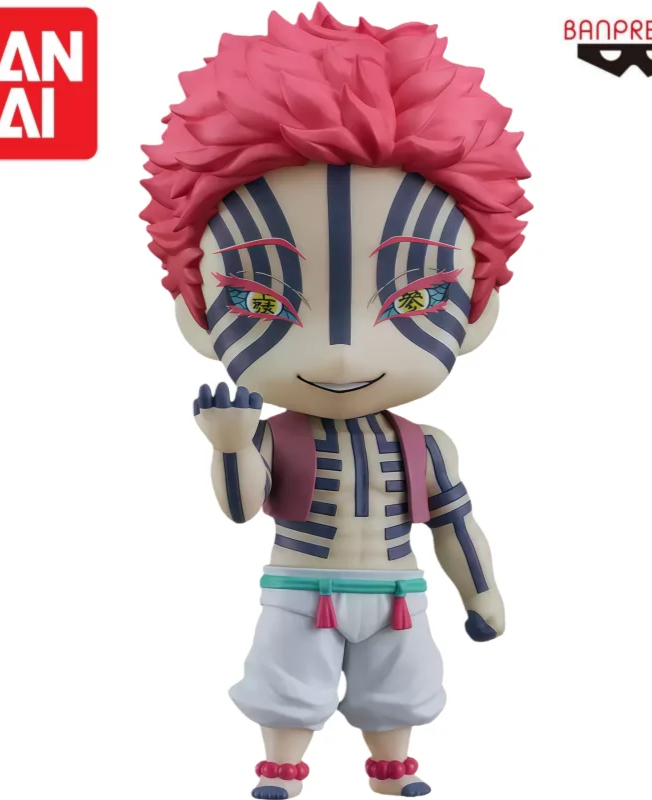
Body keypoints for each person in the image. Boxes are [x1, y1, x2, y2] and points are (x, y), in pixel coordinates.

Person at [141, 4, 530, 797]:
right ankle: (283, 766)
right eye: (262, 299)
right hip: (299, 587)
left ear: (478, 311)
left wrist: (482, 590)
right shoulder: (270, 434)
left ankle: (393, 765)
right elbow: (242, 508)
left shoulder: (426, 445)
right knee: (286, 677)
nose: (344, 350)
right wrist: (228, 444)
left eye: (415, 298)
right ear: (197, 315)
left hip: (396, 591)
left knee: (402, 680)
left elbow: (455, 524)